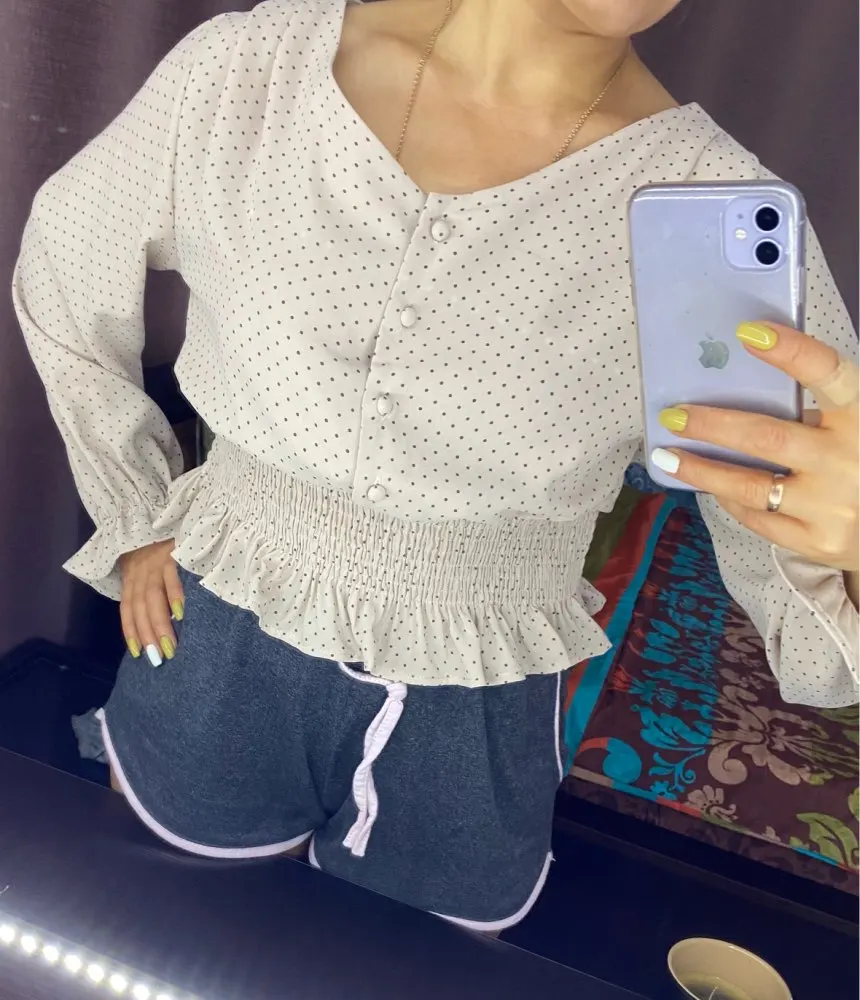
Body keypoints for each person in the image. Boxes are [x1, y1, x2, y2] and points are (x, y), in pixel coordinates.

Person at [12, 0, 859, 932]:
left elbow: (801, 579)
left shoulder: (715, 217)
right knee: (163, 944)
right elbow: (66, 266)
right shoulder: (249, 73)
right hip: (211, 635)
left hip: (475, 711)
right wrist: (136, 511)